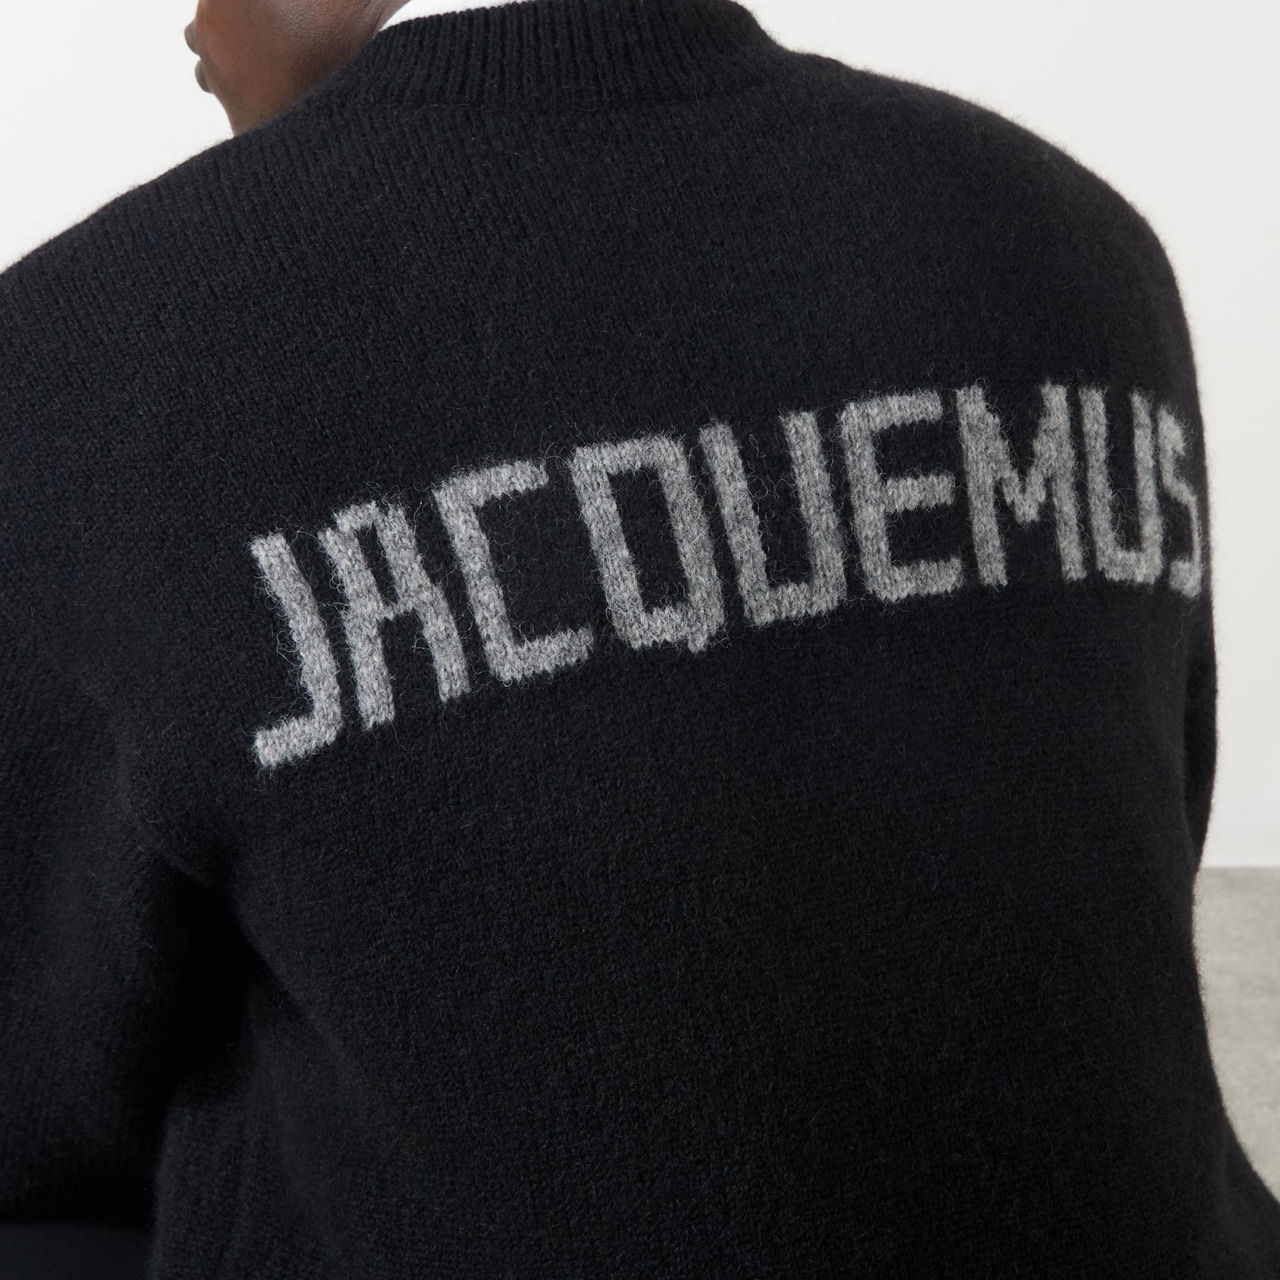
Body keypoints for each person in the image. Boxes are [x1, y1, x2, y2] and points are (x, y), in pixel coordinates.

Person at [1, 0, 1277, 1276]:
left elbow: (37, 1090)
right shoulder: (1073, 237)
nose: (191, 22)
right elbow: (1134, 835)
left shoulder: (94, 349)